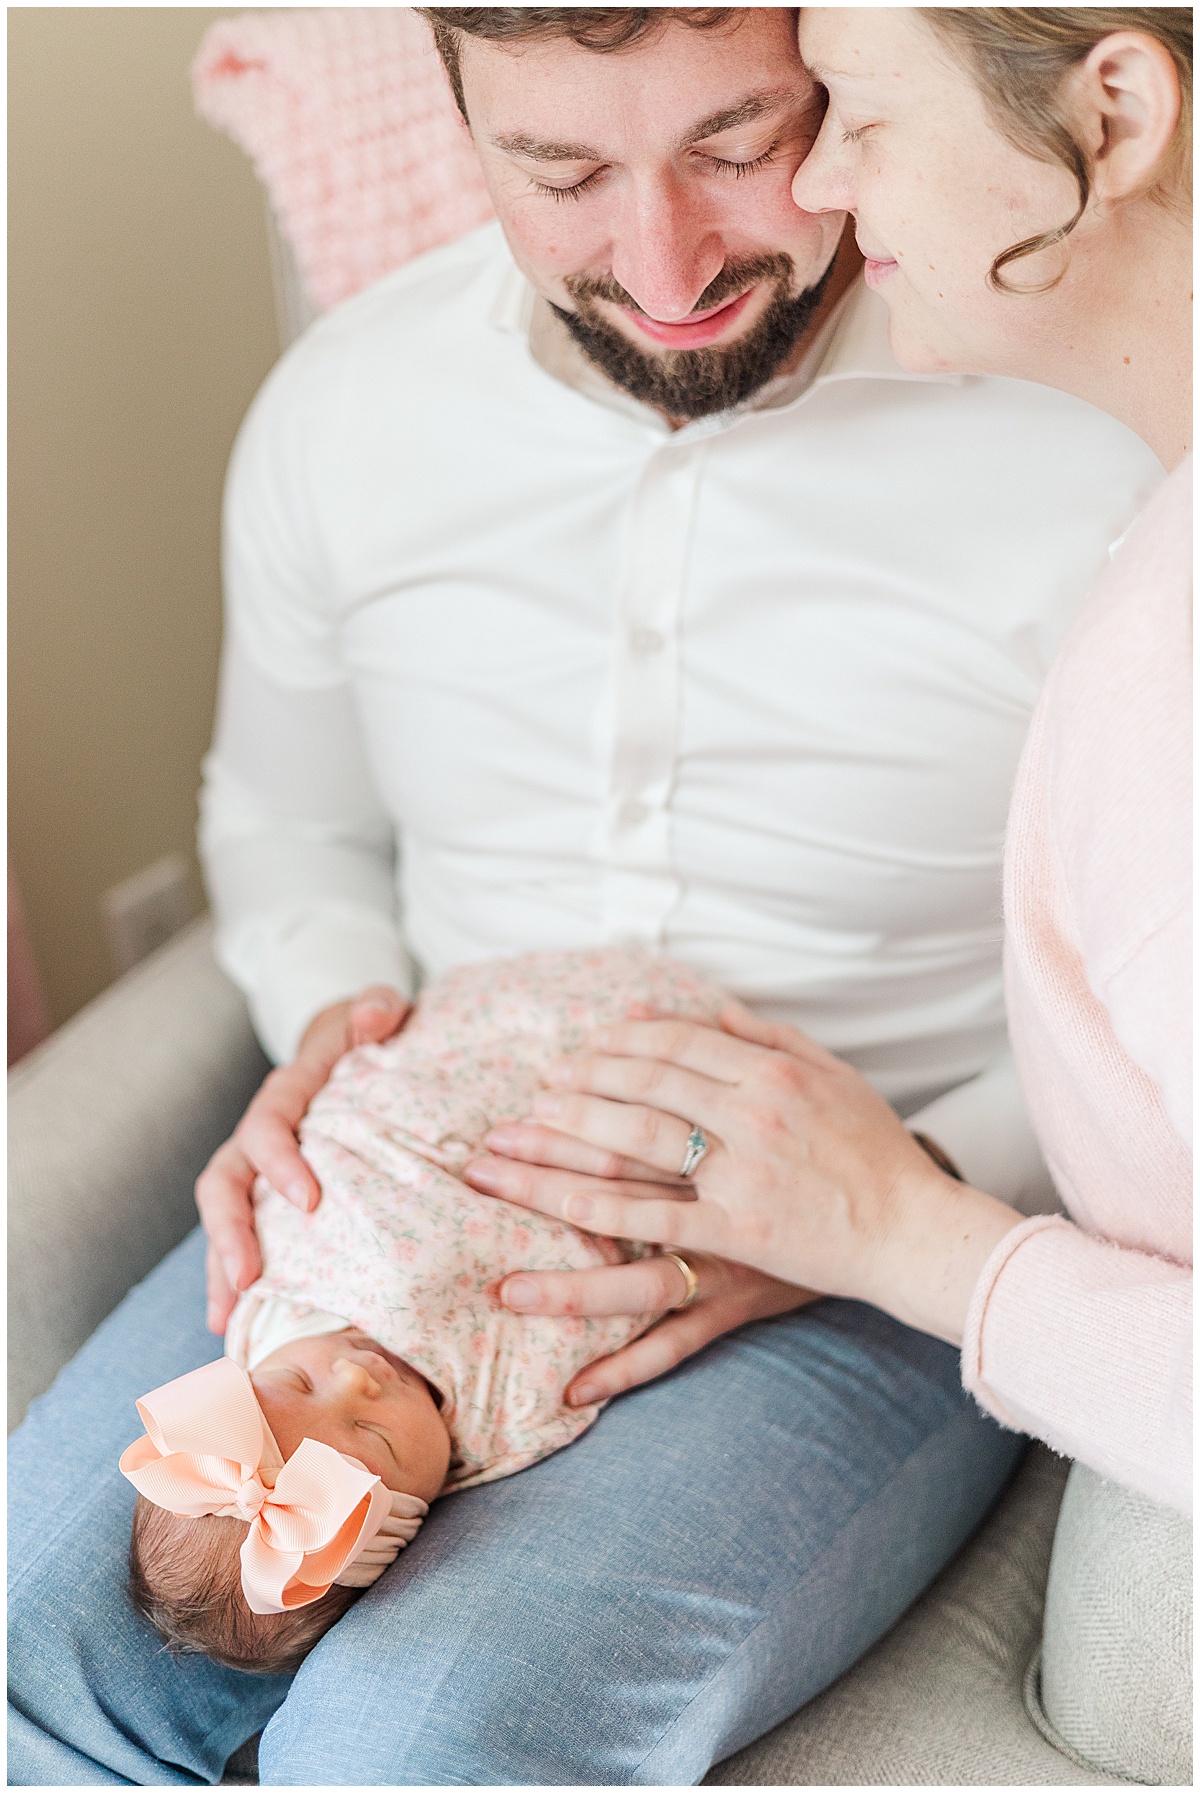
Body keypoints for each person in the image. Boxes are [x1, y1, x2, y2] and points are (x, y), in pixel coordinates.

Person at [8, 9, 1159, 1786]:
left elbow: (1145, 1026)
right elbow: (286, 826)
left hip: (867, 1240)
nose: (667, 268)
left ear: (841, 74)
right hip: (401, 1174)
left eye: (738, 147)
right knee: (39, 1637)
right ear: (457, 117)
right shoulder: (346, 410)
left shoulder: (1086, 436)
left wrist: (891, 1193)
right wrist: (335, 1028)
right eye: (563, 174)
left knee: (424, 1743)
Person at [474, 7, 1191, 1510]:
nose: (826, 189)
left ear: (1117, 116)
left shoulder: (1159, 685)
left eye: (847, 118)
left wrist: (899, 1229)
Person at [124, 948, 779, 1676]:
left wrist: (331, 1052)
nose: (356, 1378)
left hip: (460, 1046)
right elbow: (613, 1304)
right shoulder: (510, 1410)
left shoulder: (270, 1297)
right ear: (420, 1513)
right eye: (373, 1433)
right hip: (627, 1106)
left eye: (300, 1382)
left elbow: (312, 1162)